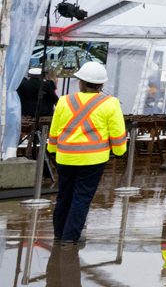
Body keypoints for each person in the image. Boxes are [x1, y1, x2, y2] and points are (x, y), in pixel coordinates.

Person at [47, 61, 126, 245]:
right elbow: (117, 132)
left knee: (64, 195)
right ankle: (70, 237)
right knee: (81, 197)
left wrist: (52, 149)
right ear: (102, 84)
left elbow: (55, 129)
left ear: (80, 81)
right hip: (93, 159)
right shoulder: (110, 103)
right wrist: (119, 151)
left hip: (65, 157)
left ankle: (59, 234)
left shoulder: (64, 101)